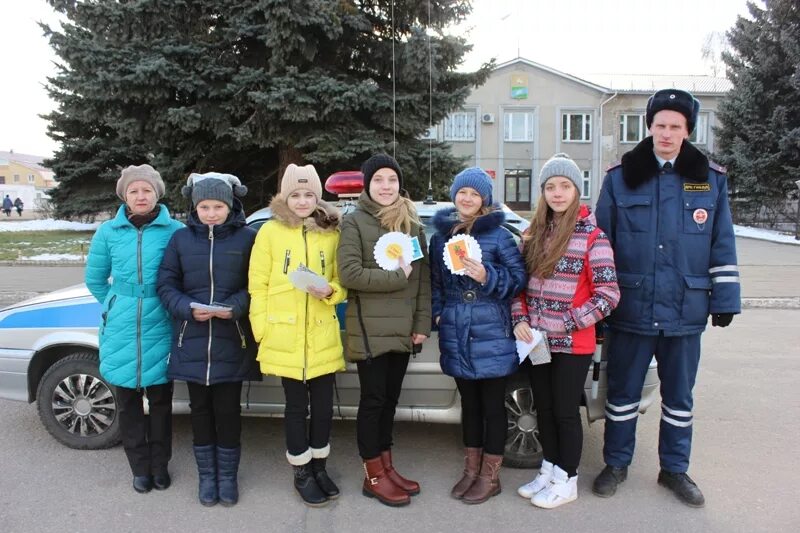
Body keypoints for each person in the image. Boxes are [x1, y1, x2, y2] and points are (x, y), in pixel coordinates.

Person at [592, 89, 741, 508]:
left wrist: (725, 298)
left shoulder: (710, 178)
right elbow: (600, 243)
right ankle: (616, 463)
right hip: (631, 306)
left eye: (676, 126)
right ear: (650, 128)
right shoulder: (620, 176)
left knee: (679, 398)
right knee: (621, 393)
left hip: (685, 308)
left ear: (688, 131)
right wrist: (598, 302)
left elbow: (721, 241)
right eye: (661, 125)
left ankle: (674, 469)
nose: (667, 134)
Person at [511, 154, 620, 509]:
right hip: (537, 343)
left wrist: (568, 321)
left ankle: (567, 478)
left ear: (576, 190)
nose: (557, 193)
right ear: (543, 192)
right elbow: (518, 289)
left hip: (573, 343)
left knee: (564, 411)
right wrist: (520, 319)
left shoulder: (593, 236)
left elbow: (608, 294)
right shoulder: (532, 235)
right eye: (550, 187)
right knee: (542, 408)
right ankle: (549, 469)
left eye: (565, 186)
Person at [248, 164, 347, 507]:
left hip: (321, 334)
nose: (303, 201)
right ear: (284, 197)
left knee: (322, 408)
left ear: (317, 197)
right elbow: (257, 285)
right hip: (285, 333)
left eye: (309, 194)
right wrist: (262, 329)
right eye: (296, 194)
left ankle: (320, 466)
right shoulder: (269, 233)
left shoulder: (331, 233)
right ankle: (301, 470)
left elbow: (342, 280)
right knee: (294, 407)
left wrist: (331, 291)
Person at [157, 172, 257, 507]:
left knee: (228, 412)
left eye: (217, 205)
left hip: (232, 339)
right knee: (199, 411)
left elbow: (259, 285)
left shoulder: (248, 239)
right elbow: (166, 285)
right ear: (195, 207)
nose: (211, 212)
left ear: (229, 206)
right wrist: (186, 308)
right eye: (204, 206)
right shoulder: (180, 241)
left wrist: (235, 307)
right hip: (193, 339)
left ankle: (227, 478)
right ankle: (207, 478)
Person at [337, 153, 431, 507]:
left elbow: (422, 280)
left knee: (390, 401)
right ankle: (373, 475)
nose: (386, 186)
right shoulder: (354, 223)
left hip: (404, 330)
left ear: (399, 184)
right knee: (373, 402)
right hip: (370, 330)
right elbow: (350, 275)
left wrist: (421, 323)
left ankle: (387, 467)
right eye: (379, 180)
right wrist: (395, 278)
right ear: (368, 184)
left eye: (391, 179)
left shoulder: (413, 225)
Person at [430, 167, 527, 505]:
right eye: (462, 192)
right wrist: (439, 313)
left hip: (492, 328)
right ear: (454, 195)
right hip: (457, 328)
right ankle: (471, 469)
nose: (467, 198)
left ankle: (491, 476)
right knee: (469, 406)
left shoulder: (499, 235)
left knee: (492, 407)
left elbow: (517, 280)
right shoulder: (440, 237)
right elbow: (436, 285)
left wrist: (488, 275)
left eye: (474, 193)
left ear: (484, 199)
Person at [84, 164, 183, 494]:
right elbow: (96, 279)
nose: (141, 196)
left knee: (160, 403)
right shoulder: (108, 232)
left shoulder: (175, 231)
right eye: (133, 191)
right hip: (121, 328)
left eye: (147, 190)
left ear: (157, 193)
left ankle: (160, 465)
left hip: (162, 324)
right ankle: (139, 468)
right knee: (127, 404)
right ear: (124, 196)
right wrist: (116, 304)